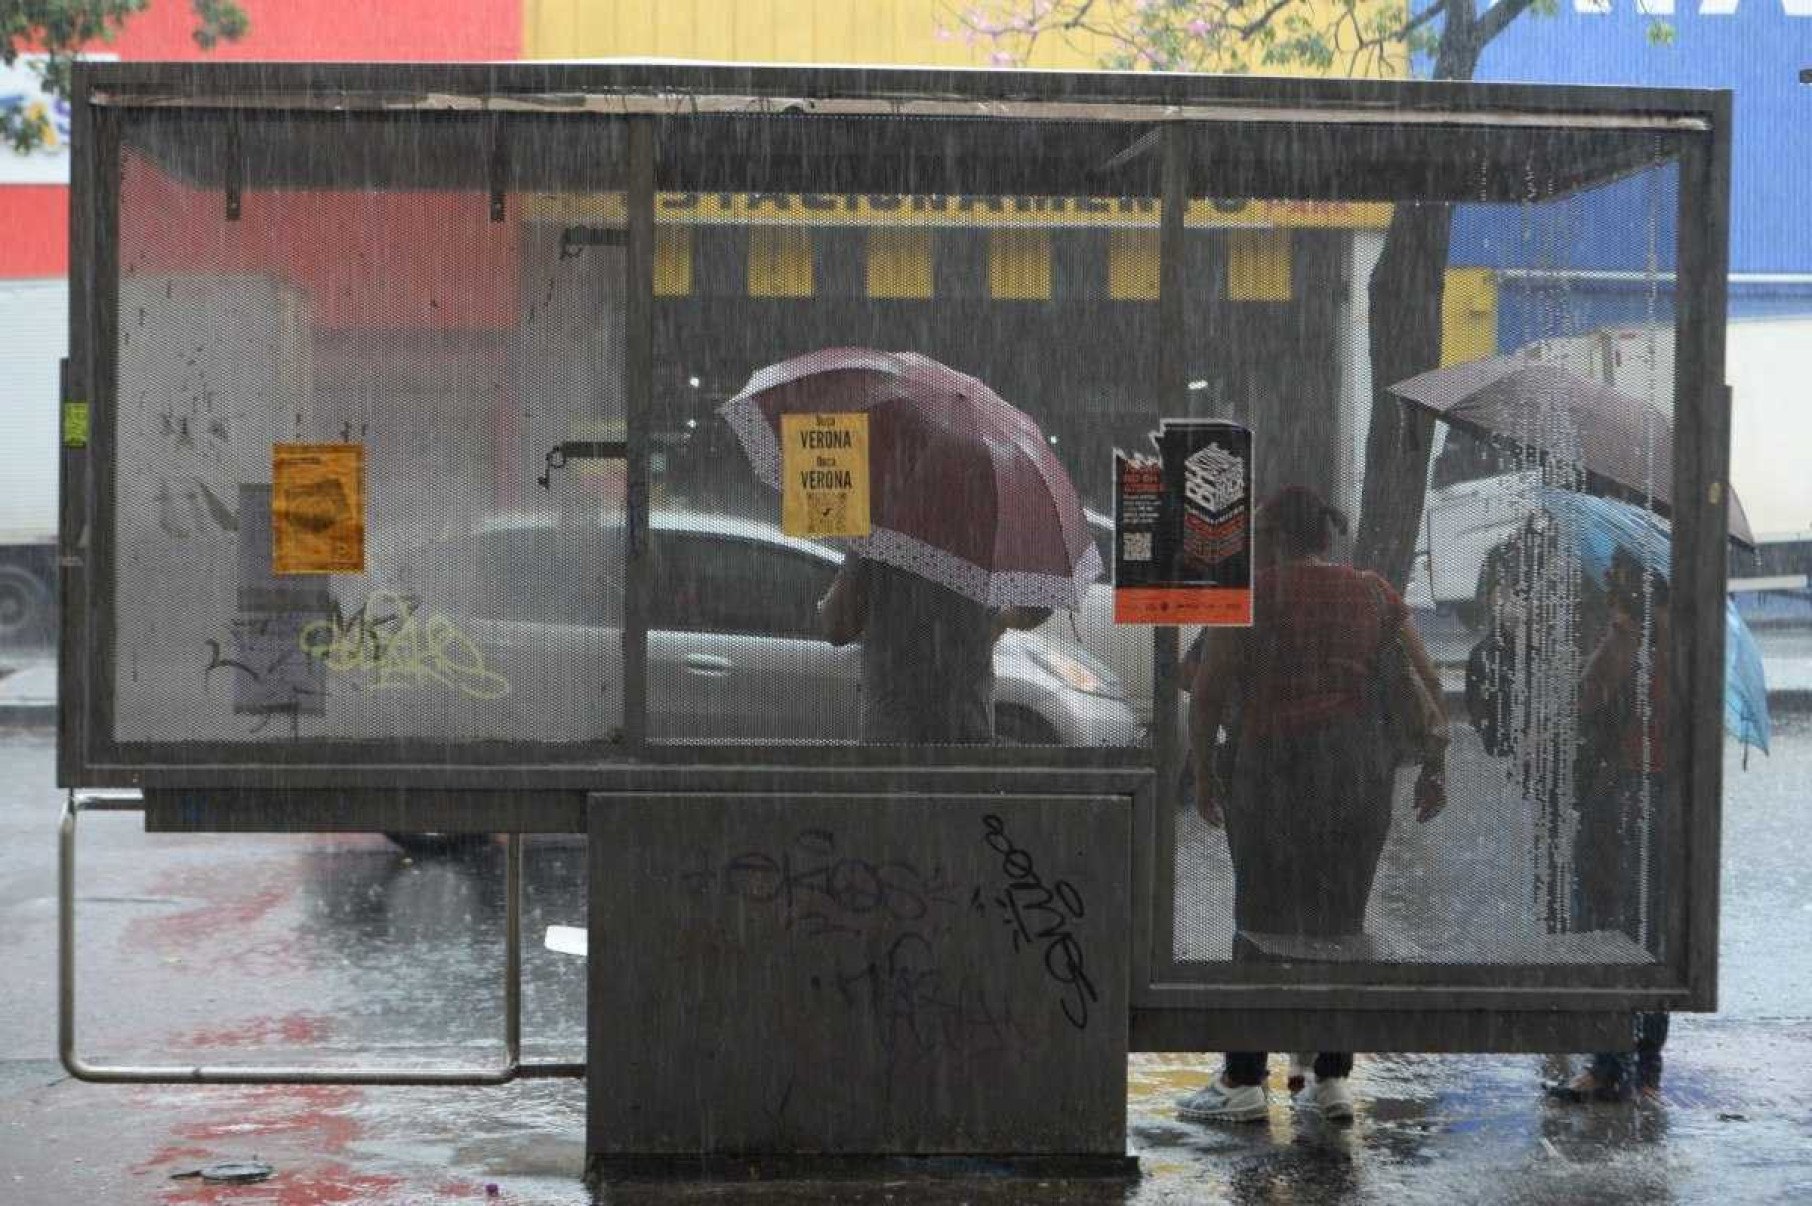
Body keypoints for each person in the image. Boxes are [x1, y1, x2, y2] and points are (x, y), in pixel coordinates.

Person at [1175, 486, 1447, 1124]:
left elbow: (1208, 691)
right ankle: (1330, 1079)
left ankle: (1244, 1079)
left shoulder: (1258, 595)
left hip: (1274, 773)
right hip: (1358, 777)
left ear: (1271, 536)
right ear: (1326, 536)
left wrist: (1208, 777)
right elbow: (1426, 686)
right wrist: (1435, 769)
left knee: (1260, 922)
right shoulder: (1375, 594)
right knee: (1338, 926)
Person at [1549, 547, 1671, 1103]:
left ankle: (1611, 1064)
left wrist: (1613, 641)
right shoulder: (1676, 646)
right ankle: (1642, 1068)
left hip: (1621, 792)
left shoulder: (1627, 645)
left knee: (1607, 925)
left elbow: (1586, 702)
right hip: (1657, 795)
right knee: (1647, 929)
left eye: (1614, 584)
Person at [817, 554, 1050, 744]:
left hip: (892, 736)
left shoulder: (882, 536)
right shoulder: (981, 527)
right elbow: (1038, 603)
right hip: (966, 734)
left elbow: (836, 629)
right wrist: (995, 622)